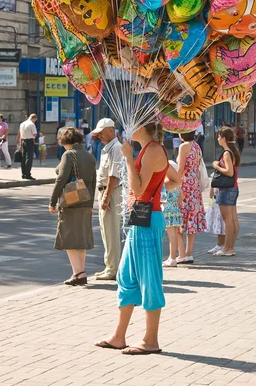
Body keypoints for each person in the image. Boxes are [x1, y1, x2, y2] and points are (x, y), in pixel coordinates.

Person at [95, 122, 180, 355]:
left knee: (149, 278)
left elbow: (140, 190)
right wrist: (159, 187)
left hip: (147, 220)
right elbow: (175, 179)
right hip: (140, 219)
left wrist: (129, 160)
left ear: (144, 127)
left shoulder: (153, 150)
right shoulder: (150, 149)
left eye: (134, 123)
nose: (128, 127)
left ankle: (151, 340)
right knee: (126, 276)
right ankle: (119, 336)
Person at [49, 127, 96, 285]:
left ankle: (78, 273)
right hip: (85, 201)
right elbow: (93, 182)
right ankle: (80, 272)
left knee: (68, 237)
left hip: (70, 202)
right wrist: (91, 204)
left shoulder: (68, 155)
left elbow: (61, 179)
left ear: (66, 141)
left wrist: (52, 201)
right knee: (81, 238)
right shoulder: (89, 157)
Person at [92, 118, 123, 281]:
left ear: (111, 130)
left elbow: (113, 176)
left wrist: (106, 197)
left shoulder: (116, 148)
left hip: (111, 192)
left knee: (110, 231)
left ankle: (113, 268)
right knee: (105, 231)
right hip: (105, 192)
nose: (99, 136)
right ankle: (109, 265)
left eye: (101, 133)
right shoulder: (108, 148)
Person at [176, 131, 206, 265]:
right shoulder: (196, 146)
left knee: (178, 219)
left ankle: (181, 254)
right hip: (195, 186)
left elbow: (180, 169)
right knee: (191, 219)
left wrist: (172, 181)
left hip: (185, 186)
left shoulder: (184, 147)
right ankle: (189, 253)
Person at [211, 126, 240, 257]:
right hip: (233, 188)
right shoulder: (232, 151)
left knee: (228, 220)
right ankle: (231, 247)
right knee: (233, 219)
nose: (217, 139)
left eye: (218, 136)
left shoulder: (227, 153)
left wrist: (216, 166)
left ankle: (227, 248)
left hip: (226, 189)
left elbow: (229, 172)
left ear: (223, 139)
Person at [162, 160, 183, 267]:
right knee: (174, 235)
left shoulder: (165, 182)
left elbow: (161, 197)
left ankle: (172, 258)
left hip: (167, 210)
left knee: (171, 236)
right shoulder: (177, 184)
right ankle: (173, 257)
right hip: (175, 210)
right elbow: (182, 197)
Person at [18, 113, 38, 179]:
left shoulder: (22, 124)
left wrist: (20, 144)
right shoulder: (31, 124)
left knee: (23, 158)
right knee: (29, 158)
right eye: (35, 120)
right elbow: (34, 134)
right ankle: (28, 174)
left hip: (23, 140)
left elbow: (20, 135)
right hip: (30, 141)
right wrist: (33, 137)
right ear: (34, 118)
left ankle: (23, 173)